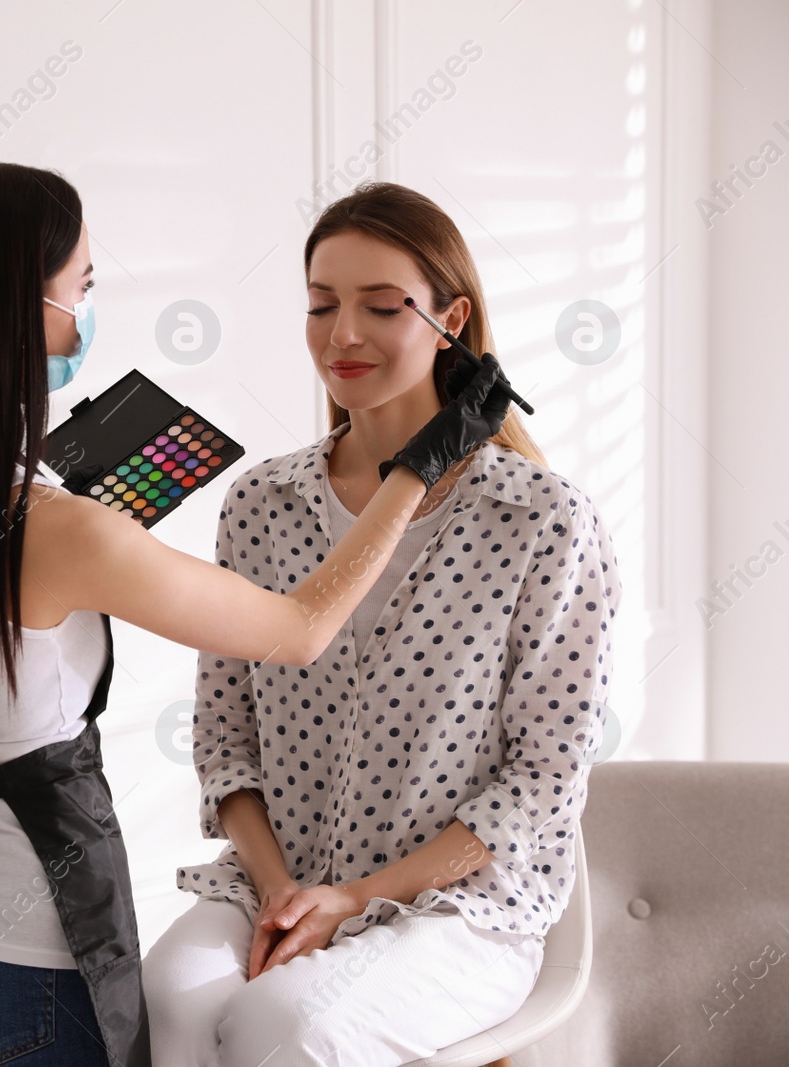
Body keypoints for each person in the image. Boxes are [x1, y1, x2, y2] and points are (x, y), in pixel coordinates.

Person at [0, 161, 513, 1067]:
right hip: (16, 965)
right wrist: (419, 465)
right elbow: (301, 628)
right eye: (82, 288)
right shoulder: (60, 530)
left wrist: (81, 520)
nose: (86, 312)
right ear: (16, 308)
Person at [141, 182, 624, 1067]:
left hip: (459, 906)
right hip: (275, 881)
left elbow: (545, 779)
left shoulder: (541, 521)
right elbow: (224, 740)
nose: (342, 334)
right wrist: (287, 890)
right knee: (169, 995)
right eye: (321, 304)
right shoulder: (261, 504)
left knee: (283, 1025)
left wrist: (357, 897)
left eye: (381, 305)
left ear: (453, 318)